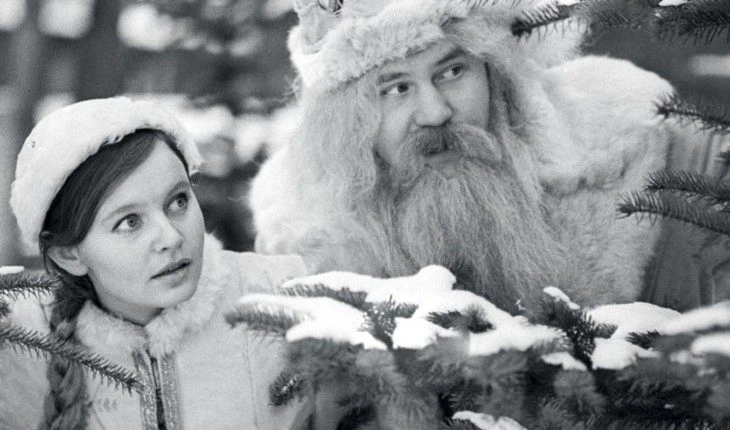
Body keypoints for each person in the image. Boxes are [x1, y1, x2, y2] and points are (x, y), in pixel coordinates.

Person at [249, 0, 730, 312]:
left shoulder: (653, 148)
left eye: (453, 71)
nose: (435, 113)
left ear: (497, 73)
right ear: (348, 122)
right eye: (396, 89)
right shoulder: (305, 242)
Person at [1, 97, 313, 429]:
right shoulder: (20, 350)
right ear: (69, 255)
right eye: (130, 222)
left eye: (178, 201)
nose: (171, 237)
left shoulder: (286, 297)